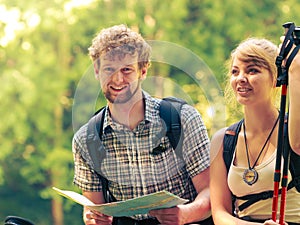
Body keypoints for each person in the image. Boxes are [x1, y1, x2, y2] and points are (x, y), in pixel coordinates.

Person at [72, 24, 212, 225]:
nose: (118, 79)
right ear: (96, 70)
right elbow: (94, 206)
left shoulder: (182, 119)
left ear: (143, 70)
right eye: (109, 69)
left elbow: (209, 191)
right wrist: (93, 218)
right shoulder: (86, 140)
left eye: (127, 70)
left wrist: (185, 214)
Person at [210, 37, 300, 225]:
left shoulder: (293, 131)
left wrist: (295, 68)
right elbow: (220, 215)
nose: (241, 78)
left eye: (252, 70)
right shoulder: (223, 140)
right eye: (235, 71)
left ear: (275, 77)